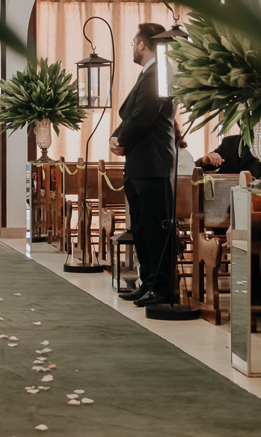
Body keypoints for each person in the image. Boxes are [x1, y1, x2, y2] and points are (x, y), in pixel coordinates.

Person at [110, 23, 176, 307]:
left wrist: (121, 139)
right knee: (141, 228)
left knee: (154, 229)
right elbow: (133, 113)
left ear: (141, 44)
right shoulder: (149, 73)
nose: (131, 47)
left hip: (153, 162)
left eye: (133, 42)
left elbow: (143, 115)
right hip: (141, 163)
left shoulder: (159, 72)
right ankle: (147, 282)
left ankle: (161, 288)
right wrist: (116, 135)